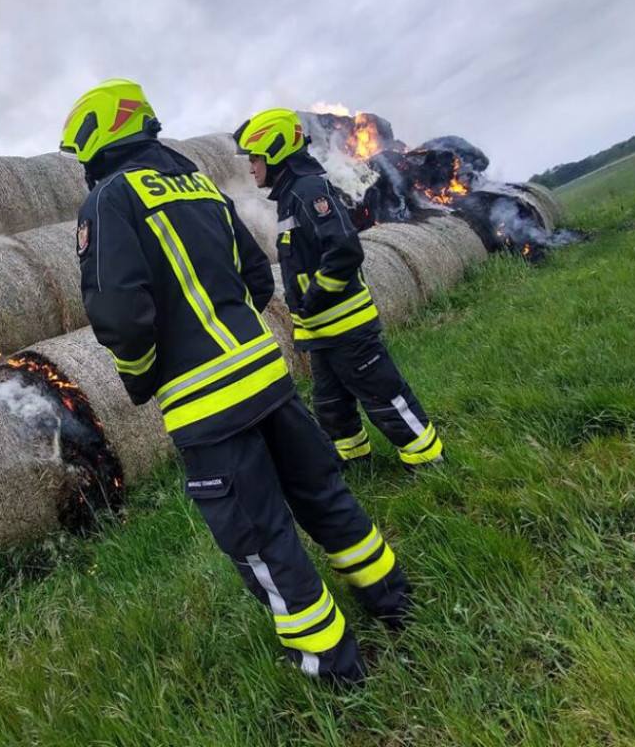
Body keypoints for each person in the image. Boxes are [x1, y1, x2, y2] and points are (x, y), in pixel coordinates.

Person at [59, 79, 411, 687]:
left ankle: (335, 670)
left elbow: (119, 313)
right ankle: (393, 601)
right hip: (270, 380)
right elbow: (256, 274)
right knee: (324, 498)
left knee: (262, 542)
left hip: (209, 408)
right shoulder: (199, 185)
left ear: (98, 141)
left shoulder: (109, 201)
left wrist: (142, 378)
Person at [233, 108, 444, 470]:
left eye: (254, 158)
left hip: (346, 327)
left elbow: (345, 249)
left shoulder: (309, 190)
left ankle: (428, 459)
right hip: (322, 332)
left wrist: (314, 297)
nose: (250, 168)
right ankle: (356, 462)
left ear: (274, 150)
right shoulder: (289, 195)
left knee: (382, 394)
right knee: (332, 406)